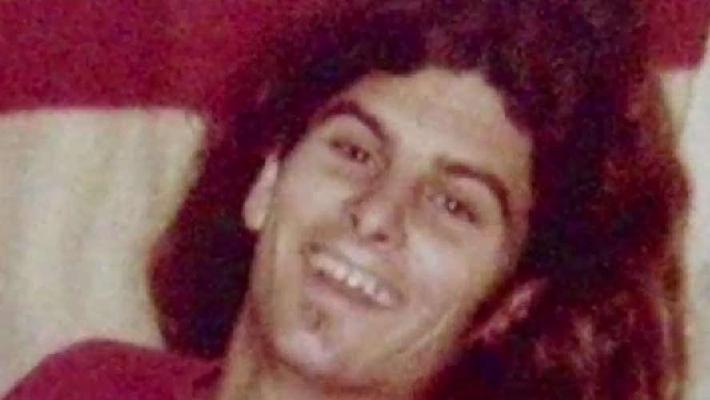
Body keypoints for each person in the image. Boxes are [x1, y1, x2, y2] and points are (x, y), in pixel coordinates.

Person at [4, 0, 690, 399]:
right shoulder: (83, 387)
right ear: (267, 180)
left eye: (453, 205)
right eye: (356, 152)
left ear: (512, 305)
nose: (376, 214)